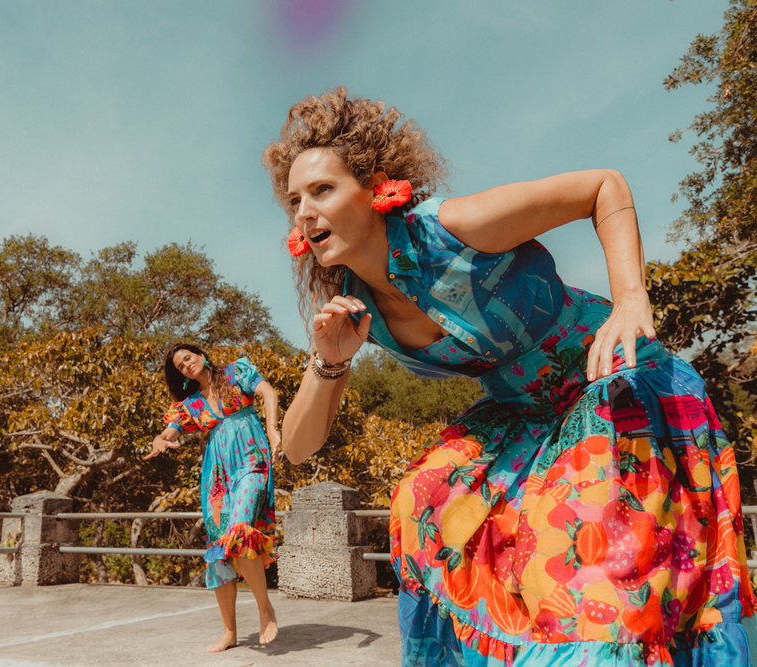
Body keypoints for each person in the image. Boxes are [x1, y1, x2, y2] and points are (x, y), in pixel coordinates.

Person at [263, 87, 757, 666]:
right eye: (295, 199)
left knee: (579, 546)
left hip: (605, 375)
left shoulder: (452, 228)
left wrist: (628, 300)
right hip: (520, 415)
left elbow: (604, 186)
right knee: (423, 498)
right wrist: (331, 360)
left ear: (375, 189)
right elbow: (297, 447)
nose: (304, 210)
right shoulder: (352, 309)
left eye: (322, 189)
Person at [145, 342, 280, 651]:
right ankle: (230, 631)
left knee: (239, 532)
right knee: (219, 549)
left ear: (201, 356)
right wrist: (160, 439)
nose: (186, 366)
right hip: (217, 477)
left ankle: (264, 608)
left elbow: (268, 393)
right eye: (180, 366)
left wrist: (272, 429)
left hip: (251, 459)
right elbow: (171, 431)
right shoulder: (190, 405)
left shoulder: (236, 373)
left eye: (187, 358)